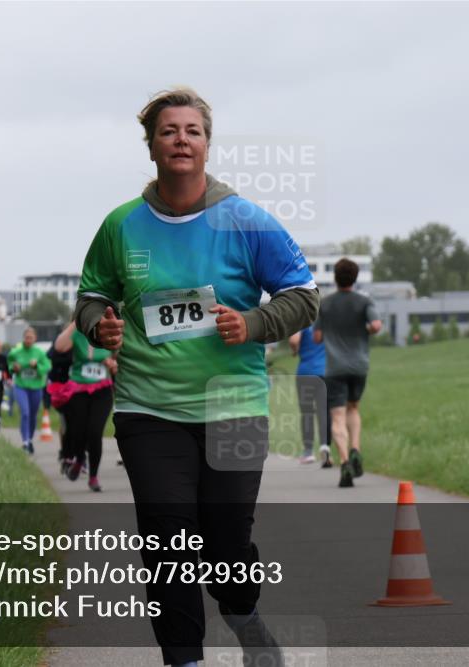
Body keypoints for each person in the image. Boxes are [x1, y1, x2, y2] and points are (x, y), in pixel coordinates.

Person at [75, 88, 318, 667]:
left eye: (192, 130)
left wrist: (255, 321)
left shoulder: (247, 221)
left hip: (233, 404)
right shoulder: (122, 225)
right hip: (147, 409)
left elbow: (304, 296)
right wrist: (98, 327)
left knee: (227, 541)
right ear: (152, 145)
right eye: (169, 131)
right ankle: (184, 658)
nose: (181, 139)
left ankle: (243, 614)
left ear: (207, 144)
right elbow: (90, 297)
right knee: (167, 542)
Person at [313, 258, 382, 488]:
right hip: (359, 365)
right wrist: (364, 329)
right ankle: (355, 449)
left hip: (334, 368)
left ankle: (344, 463)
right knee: (353, 408)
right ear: (355, 277)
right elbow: (377, 326)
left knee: (337, 417)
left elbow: (317, 337)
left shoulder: (325, 304)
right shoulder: (364, 301)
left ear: (335, 277)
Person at [53, 322, 116, 492]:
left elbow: (120, 358)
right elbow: (59, 347)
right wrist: (75, 322)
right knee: (78, 431)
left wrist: (113, 364)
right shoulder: (76, 333)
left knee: (95, 432)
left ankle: (93, 476)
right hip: (78, 389)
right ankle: (79, 459)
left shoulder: (108, 332)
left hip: (102, 390)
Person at [288, 325, 331, 467]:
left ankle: (308, 452)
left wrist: (295, 351)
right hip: (324, 372)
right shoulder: (326, 322)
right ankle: (325, 447)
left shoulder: (303, 322)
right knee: (324, 411)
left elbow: (294, 340)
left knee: (307, 412)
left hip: (305, 373)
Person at [7, 328, 51, 453]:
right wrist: (14, 368)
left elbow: (47, 366)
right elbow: (10, 364)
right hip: (21, 386)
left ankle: (30, 439)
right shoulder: (16, 352)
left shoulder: (40, 352)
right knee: (25, 413)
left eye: (31, 338)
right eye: (26, 337)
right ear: (23, 338)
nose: (28, 340)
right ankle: (25, 442)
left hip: (36, 387)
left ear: (35, 339)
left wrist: (36, 366)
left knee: (33, 415)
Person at [46, 325, 76, 466]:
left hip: (79, 388)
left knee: (78, 424)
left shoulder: (81, 342)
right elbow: (51, 357)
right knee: (66, 422)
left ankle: (78, 453)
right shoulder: (59, 343)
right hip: (62, 389)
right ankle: (65, 451)